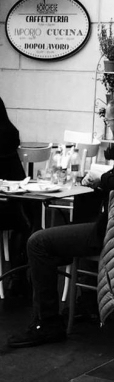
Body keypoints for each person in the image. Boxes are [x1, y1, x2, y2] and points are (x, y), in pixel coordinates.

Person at [7, 94, 114, 349]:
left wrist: (100, 180)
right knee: (73, 222)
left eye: (107, 121)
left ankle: (47, 323)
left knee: (38, 241)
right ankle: (87, 301)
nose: (107, 125)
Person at [0, 97, 31, 295]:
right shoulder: (10, 134)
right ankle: (18, 273)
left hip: (6, 206)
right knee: (26, 223)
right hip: (14, 203)